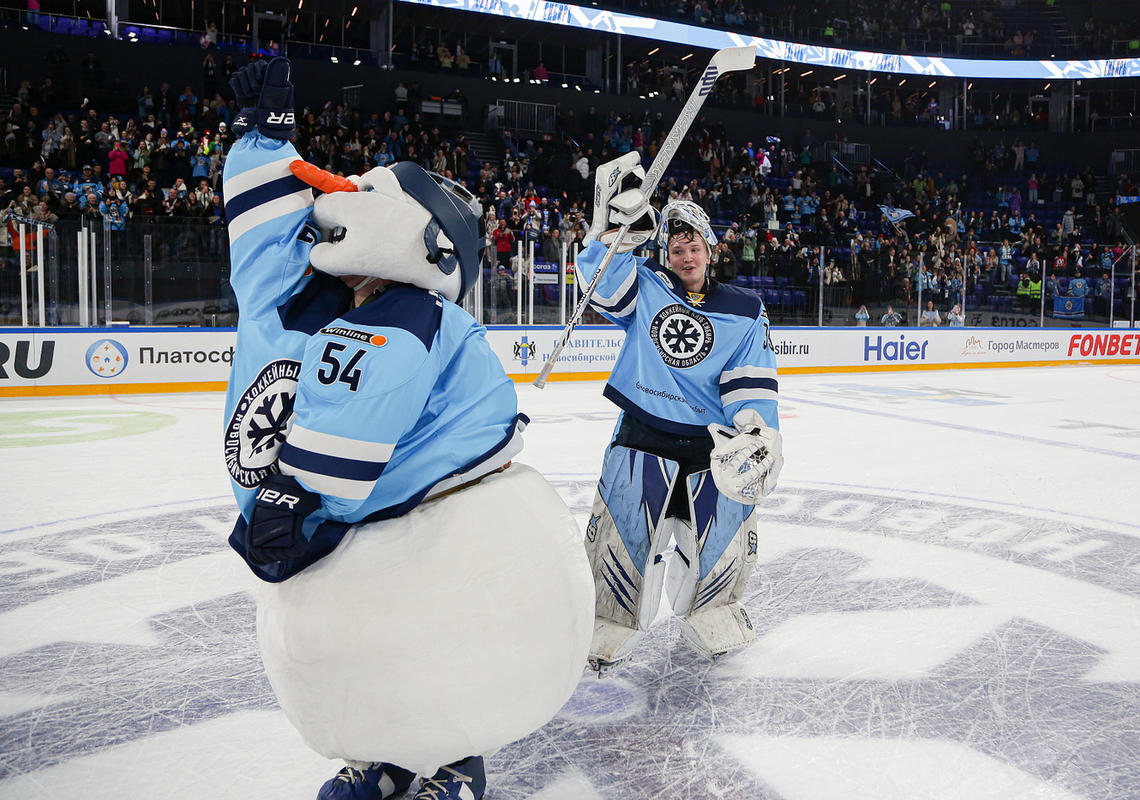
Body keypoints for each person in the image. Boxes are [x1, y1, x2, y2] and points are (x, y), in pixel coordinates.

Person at [220, 57, 589, 800]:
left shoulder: (411, 317)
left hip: (415, 538)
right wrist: (263, 145)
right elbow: (260, 254)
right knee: (371, 670)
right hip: (342, 534)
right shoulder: (323, 298)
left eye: (367, 192)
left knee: (435, 665)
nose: (343, 194)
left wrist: (295, 501)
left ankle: (451, 764)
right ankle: (382, 757)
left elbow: (349, 432)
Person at [574, 152, 782, 671]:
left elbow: (750, 378)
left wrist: (755, 430)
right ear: (665, 253)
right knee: (623, 531)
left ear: (711, 249)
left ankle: (716, 610)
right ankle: (609, 619)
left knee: (718, 537)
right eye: (675, 247)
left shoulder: (743, 309)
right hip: (644, 431)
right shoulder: (648, 286)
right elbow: (601, 284)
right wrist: (613, 234)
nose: (686, 255)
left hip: (708, 444)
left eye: (694, 245)